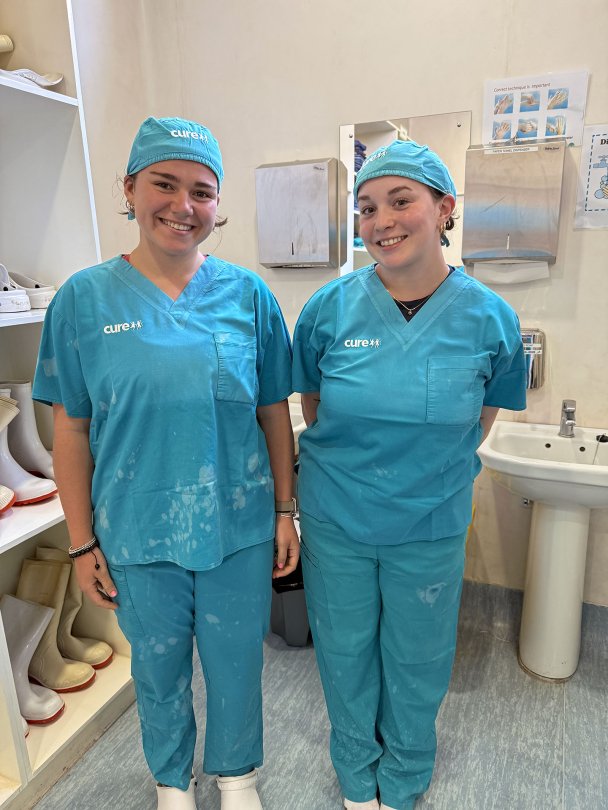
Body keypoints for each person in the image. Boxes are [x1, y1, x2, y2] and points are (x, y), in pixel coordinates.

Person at [33, 116, 300, 810]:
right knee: (156, 670)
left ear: (218, 205)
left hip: (238, 526)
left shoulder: (249, 297)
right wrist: (81, 540)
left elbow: (274, 412)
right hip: (135, 528)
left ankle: (237, 777)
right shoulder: (83, 300)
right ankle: (172, 781)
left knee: (237, 662)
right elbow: (71, 430)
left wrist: (284, 510)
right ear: (129, 189)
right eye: (165, 184)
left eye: (202, 192)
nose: (183, 205)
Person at [292, 140, 527, 810]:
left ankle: (404, 775)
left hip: (430, 521)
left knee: (418, 657)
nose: (382, 221)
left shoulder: (490, 318)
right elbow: (314, 407)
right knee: (343, 652)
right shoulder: (328, 310)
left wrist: (423, 470)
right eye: (367, 208)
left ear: (445, 208)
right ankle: (355, 772)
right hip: (336, 518)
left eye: (401, 201)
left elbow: (480, 419)